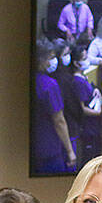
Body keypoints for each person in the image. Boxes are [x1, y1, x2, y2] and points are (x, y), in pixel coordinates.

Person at [33, 40, 76, 174]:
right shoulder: (49, 85)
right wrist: (70, 151)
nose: (54, 61)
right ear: (41, 60)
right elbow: (59, 120)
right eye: (51, 58)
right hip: (49, 149)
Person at [61, 41, 102, 167]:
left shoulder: (83, 77)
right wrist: (99, 113)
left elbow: (89, 92)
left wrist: (94, 89)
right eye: (84, 58)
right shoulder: (77, 82)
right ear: (76, 63)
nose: (87, 60)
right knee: (90, 158)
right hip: (87, 127)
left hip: (94, 125)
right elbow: (82, 109)